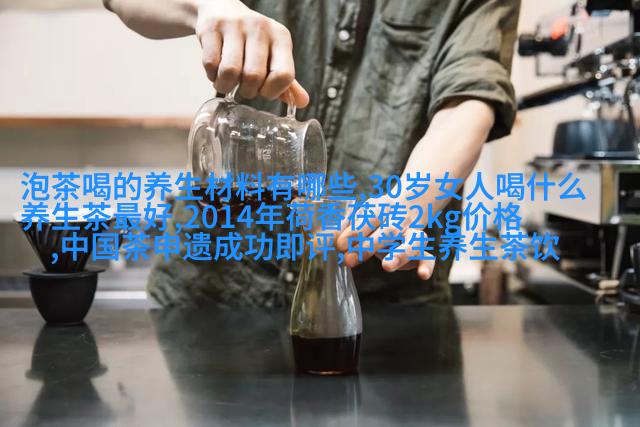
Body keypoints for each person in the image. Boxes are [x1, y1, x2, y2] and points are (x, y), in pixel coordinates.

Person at [104, 0, 520, 307]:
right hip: (215, 289)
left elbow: (470, 99)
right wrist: (206, 7)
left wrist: (409, 204)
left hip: (377, 304)